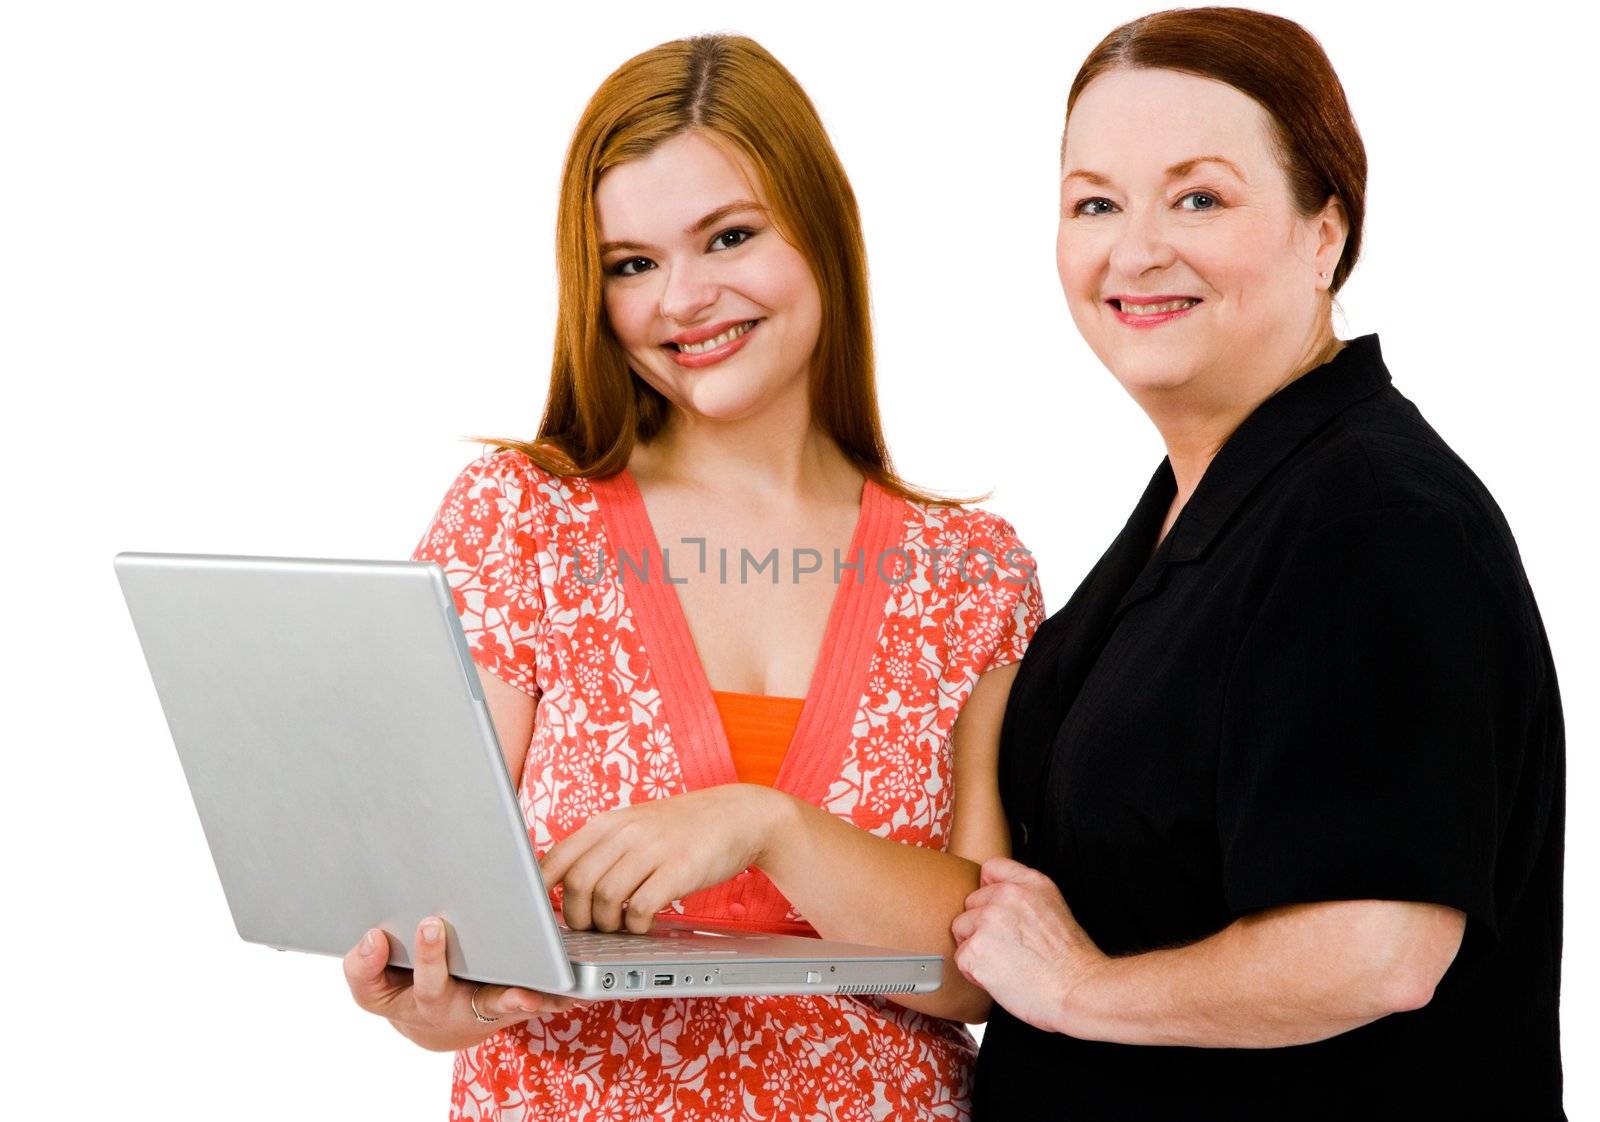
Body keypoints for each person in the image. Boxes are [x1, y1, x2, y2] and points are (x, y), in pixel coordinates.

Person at [340, 33, 1044, 1122]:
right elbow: (437, 915)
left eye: (729, 236)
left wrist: (771, 826)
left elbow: (975, 972)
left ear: (820, 228)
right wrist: (442, 1004)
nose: (684, 298)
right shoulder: (521, 525)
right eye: (632, 263)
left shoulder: (969, 573)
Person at [950, 7, 1565, 1119]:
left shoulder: (1373, 516)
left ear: (1325, 232)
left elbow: (1374, 949)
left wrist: (1078, 989)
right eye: (1095, 202)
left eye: (1198, 197)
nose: (1133, 250)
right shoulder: (1208, 500)